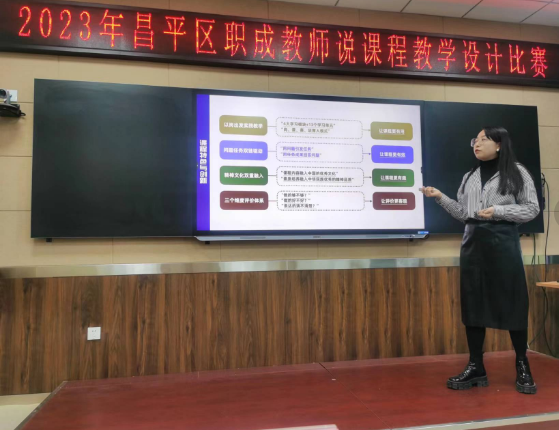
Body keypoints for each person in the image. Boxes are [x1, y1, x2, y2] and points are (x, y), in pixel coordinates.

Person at [420, 126, 540, 395]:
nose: (477, 143)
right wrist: (440, 197)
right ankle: (476, 366)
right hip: (473, 241)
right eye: (475, 139)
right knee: (472, 302)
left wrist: (498, 210)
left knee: (512, 299)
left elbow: (532, 209)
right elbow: (464, 214)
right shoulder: (470, 176)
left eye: (484, 139)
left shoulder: (517, 172)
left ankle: (522, 364)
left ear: (499, 144)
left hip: (503, 239)